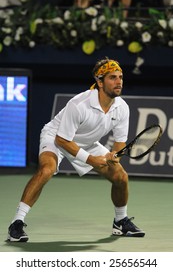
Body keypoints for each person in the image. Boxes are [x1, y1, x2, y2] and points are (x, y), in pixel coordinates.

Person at [7, 57, 145, 242]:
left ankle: (120, 221)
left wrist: (114, 157)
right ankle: (16, 223)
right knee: (46, 170)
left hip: (87, 142)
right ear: (99, 81)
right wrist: (91, 159)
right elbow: (63, 140)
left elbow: (120, 142)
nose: (119, 81)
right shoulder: (79, 104)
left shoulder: (122, 108)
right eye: (112, 77)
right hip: (57, 137)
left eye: (120, 77)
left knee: (120, 176)